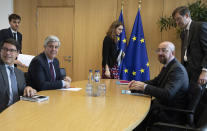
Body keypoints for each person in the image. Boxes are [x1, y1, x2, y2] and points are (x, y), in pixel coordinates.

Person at [129, 41, 189, 130]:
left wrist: (144, 87)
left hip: (170, 113)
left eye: (164, 50)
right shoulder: (168, 66)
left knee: (135, 116)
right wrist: (137, 85)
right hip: (161, 107)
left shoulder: (177, 70)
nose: (160, 53)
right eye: (158, 50)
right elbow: (155, 82)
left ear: (172, 53)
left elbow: (167, 94)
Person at [172, 6, 207, 108]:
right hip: (187, 70)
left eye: (178, 19)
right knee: (187, 98)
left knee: (196, 102)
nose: (177, 23)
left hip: (199, 72)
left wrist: (204, 71)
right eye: (175, 20)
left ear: (187, 16)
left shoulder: (200, 27)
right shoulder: (183, 33)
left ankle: (194, 123)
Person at [0, 38, 36, 113]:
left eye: (12, 50)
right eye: (5, 49)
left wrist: (27, 88)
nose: (7, 53)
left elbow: (22, 89)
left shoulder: (19, 73)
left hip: (18, 111)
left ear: (17, 53)